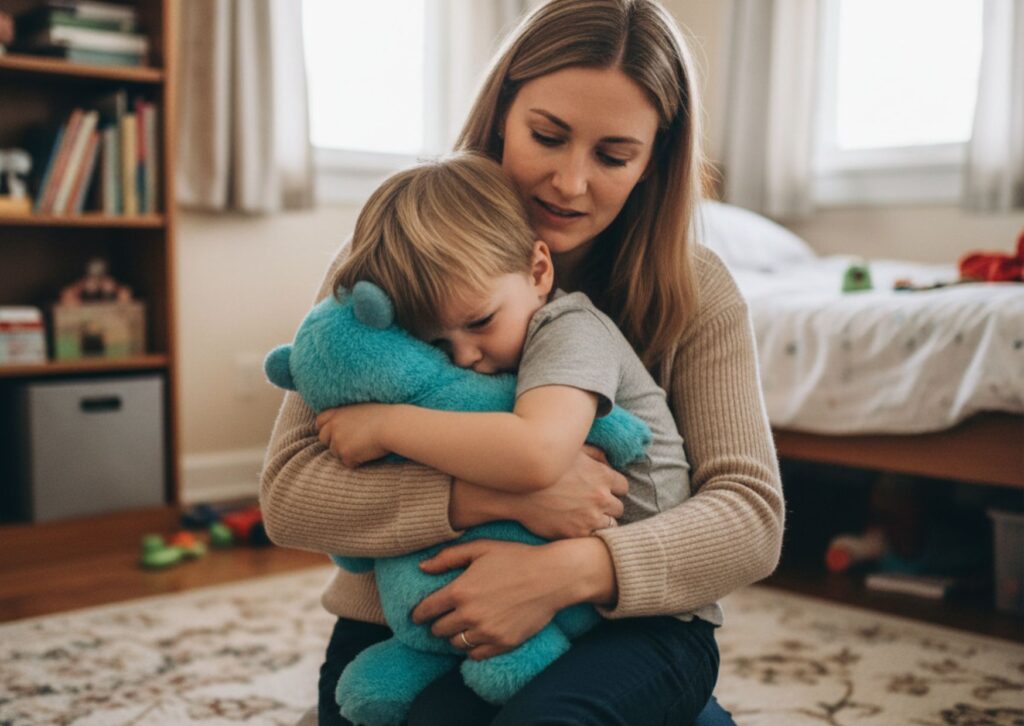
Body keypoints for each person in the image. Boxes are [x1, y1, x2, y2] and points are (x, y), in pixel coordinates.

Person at [260, 0, 785, 723]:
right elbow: (289, 494)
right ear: (501, 114)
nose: (570, 183)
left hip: (619, 626)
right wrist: (493, 497)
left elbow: (750, 516)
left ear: (653, 162)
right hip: (411, 629)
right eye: (547, 135)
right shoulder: (393, 264)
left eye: (612, 155)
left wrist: (566, 572)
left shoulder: (698, 292)